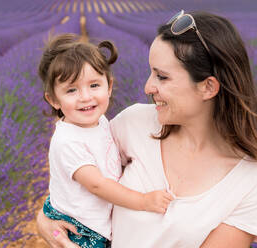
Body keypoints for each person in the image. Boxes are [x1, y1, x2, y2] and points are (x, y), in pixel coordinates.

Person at [37, 11, 257, 248]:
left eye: (162, 77)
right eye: (151, 72)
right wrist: (46, 220)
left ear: (208, 87)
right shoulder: (134, 124)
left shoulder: (256, 183)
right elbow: (81, 182)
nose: (147, 87)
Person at [37, 34, 173, 248]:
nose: (85, 97)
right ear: (53, 100)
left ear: (109, 86)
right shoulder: (67, 141)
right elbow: (97, 184)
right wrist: (143, 201)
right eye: (72, 90)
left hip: (94, 222)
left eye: (94, 85)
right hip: (81, 229)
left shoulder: (99, 121)